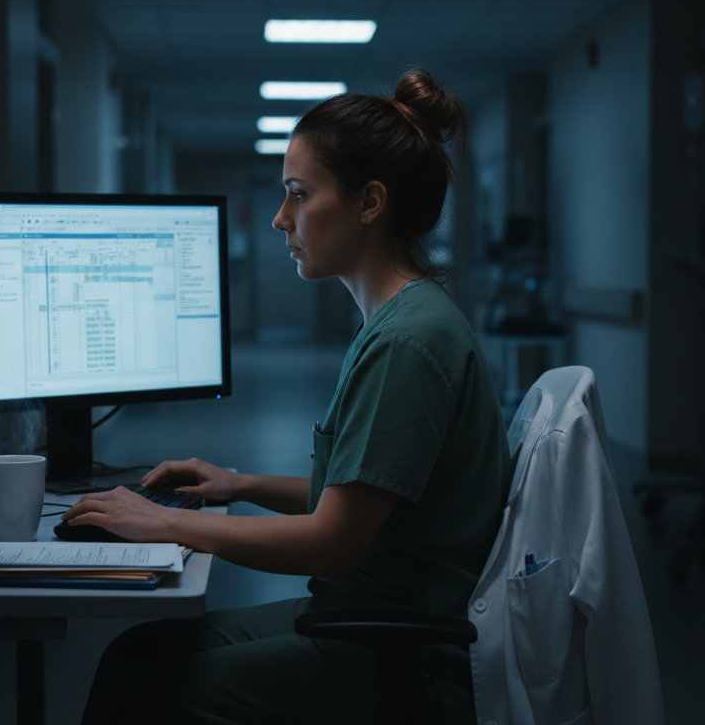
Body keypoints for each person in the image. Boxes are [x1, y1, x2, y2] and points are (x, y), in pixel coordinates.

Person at [64, 68, 511, 725]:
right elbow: (362, 500)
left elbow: (332, 543)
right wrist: (239, 484)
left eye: (299, 195)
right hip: (362, 615)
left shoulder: (408, 342)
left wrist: (161, 523)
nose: (280, 218)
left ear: (369, 202)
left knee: (139, 694)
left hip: (396, 650)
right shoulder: (400, 322)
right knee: (132, 655)